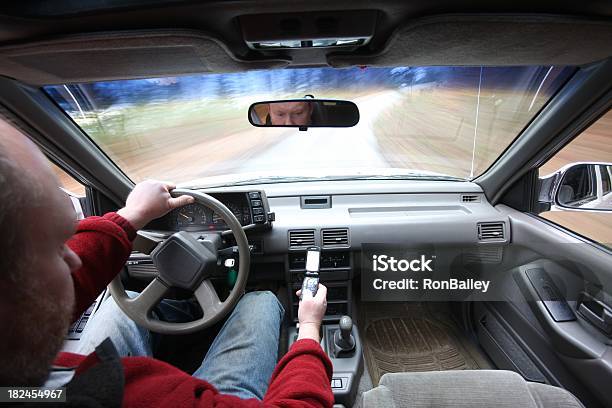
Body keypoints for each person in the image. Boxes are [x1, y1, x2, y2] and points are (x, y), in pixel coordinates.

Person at [0, 124, 334, 407]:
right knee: (259, 301)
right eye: (57, 247)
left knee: (123, 303)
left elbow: (74, 274)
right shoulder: (127, 395)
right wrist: (308, 330)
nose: (74, 257)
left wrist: (132, 216)